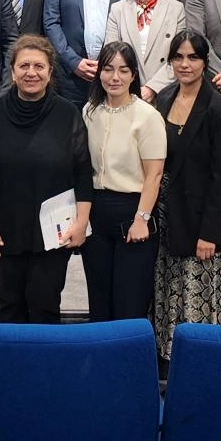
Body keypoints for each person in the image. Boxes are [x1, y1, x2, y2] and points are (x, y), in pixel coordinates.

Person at [0, 34, 93, 323]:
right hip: (3, 230)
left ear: (50, 71)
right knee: (10, 307)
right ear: (12, 71)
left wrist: (81, 223)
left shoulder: (67, 113)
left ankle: (45, 356)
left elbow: (82, 172)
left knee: (46, 306)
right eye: (24, 65)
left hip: (53, 233)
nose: (31, 72)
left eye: (39, 66)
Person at [152, 31, 221, 358]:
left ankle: (201, 360)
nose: (185, 64)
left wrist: (210, 234)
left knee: (196, 293)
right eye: (178, 57)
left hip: (202, 222)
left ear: (205, 62)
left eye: (193, 57)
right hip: (166, 215)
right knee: (167, 288)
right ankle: (168, 355)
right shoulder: (164, 98)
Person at [82, 40, 167, 322]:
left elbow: (154, 175)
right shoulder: (90, 111)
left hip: (133, 210)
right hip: (96, 210)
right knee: (99, 300)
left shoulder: (148, 115)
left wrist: (142, 218)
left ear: (133, 75)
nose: (114, 77)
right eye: (108, 69)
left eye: (123, 70)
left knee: (129, 302)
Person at [106, 0, 185, 101]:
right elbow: (112, 55)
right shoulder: (118, 9)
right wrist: (132, 88)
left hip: (165, 92)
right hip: (127, 92)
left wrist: (152, 88)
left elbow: (179, 57)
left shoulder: (176, 9)